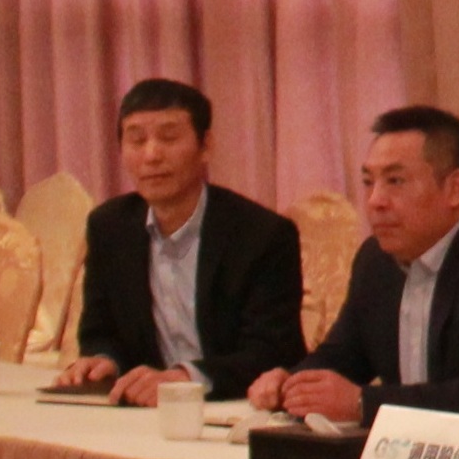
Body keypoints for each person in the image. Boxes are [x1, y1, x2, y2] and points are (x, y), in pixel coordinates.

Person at [248, 107, 459, 433]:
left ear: (455, 189)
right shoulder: (375, 261)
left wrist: (363, 404)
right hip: (416, 449)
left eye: (395, 181)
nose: (375, 200)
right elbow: (344, 354)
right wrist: (292, 383)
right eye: (368, 182)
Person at [59, 78, 306, 405]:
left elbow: (272, 351)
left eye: (169, 137)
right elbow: (99, 332)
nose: (151, 155)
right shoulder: (110, 227)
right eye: (137, 140)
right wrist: (104, 361)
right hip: (145, 411)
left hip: (236, 406)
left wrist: (187, 378)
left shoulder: (263, 235)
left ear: (206, 146)